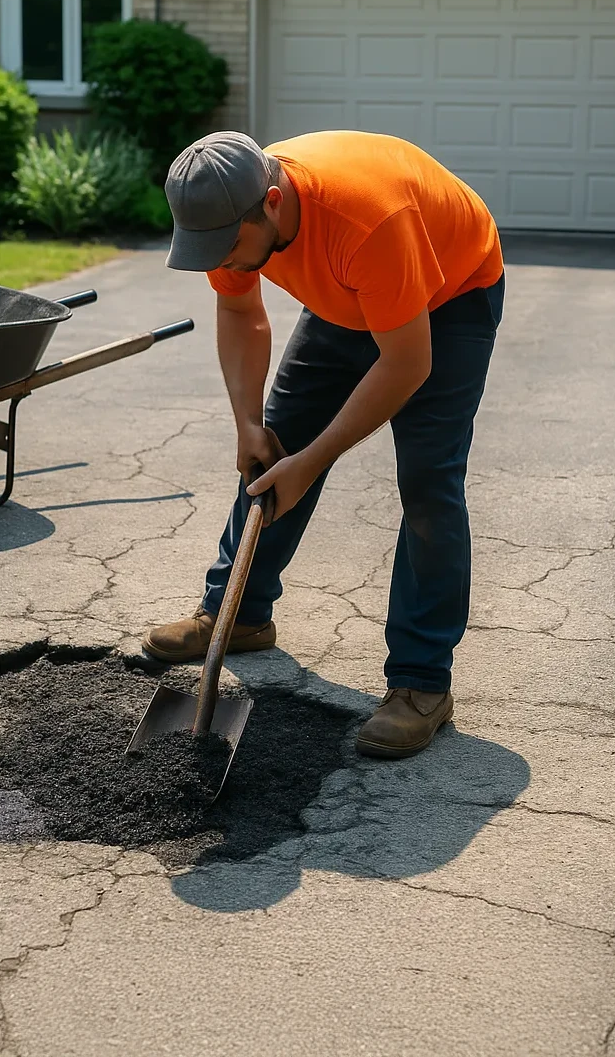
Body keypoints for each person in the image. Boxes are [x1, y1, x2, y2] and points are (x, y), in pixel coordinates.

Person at [144, 129, 505, 759]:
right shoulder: (229, 213)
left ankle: (421, 683)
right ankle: (239, 615)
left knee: (427, 482)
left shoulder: (365, 222)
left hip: (450, 294)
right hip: (349, 294)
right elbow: (238, 314)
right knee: (270, 455)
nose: (223, 262)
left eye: (229, 248)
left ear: (275, 203)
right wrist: (249, 423)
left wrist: (312, 462)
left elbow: (406, 365)